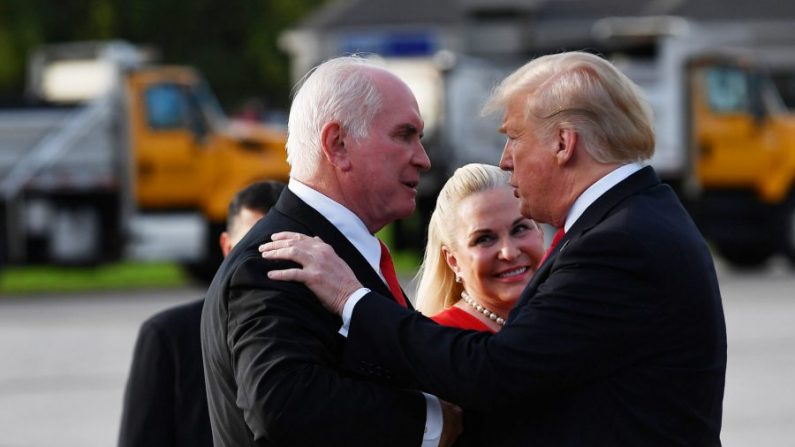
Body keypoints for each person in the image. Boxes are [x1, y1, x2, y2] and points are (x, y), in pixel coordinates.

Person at [260, 51, 727, 446]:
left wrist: (350, 298)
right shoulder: (636, 219)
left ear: (564, 143)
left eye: (514, 136)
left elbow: (495, 372)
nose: (504, 158)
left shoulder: (620, 242)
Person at [200, 56, 462, 447]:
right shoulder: (274, 260)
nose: (422, 158)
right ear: (338, 145)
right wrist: (432, 422)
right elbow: (282, 405)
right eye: (405, 135)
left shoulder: (324, 248)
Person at [118, 180, 284, 447]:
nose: (267, 260)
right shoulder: (168, 337)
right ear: (228, 248)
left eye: (280, 247)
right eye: (254, 248)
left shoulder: (331, 328)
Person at [414, 163, 544, 332]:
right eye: (484, 239)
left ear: (540, 232)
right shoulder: (438, 341)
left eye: (520, 229)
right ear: (453, 261)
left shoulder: (573, 314)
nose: (509, 253)